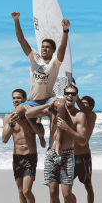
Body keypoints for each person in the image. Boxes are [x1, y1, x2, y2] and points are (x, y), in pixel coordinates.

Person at [27, 84, 88, 203]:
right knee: (52, 191)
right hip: (51, 154)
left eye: (73, 94)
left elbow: (82, 140)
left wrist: (67, 128)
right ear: (64, 95)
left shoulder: (79, 115)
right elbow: (29, 114)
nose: (69, 96)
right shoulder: (54, 111)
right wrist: (47, 104)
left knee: (66, 193)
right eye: (67, 93)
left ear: (76, 97)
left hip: (67, 154)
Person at [10, 11, 71, 155]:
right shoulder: (34, 57)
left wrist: (65, 30)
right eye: (43, 46)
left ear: (53, 51)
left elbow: (62, 47)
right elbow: (21, 39)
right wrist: (16, 20)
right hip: (31, 101)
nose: (44, 48)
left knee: (60, 105)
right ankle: (40, 135)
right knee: (14, 115)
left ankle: (57, 141)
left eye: (47, 47)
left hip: (48, 98)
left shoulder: (55, 62)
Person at [2, 88, 45, 203]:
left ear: (25, 99)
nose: (16, 100)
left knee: (27, 190)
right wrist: (12, 125)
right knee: (20, 191)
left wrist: (25, 120)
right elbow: (4, 140)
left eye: (19, 98)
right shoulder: (8, 118)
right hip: (17, 157)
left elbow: (40, 133)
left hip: (30, 156)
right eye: (14, 98)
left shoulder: (33, 115)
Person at [62, 95, 97, 203]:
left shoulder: (91, 115)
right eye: (81, 103)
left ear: (91, 107)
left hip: (84, 156)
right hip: (71, 155)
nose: (81, 105)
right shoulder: (76, 115)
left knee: (88, 185)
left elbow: (83, 108)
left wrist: (76, 97)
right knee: (67, 187)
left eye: (85, 103)